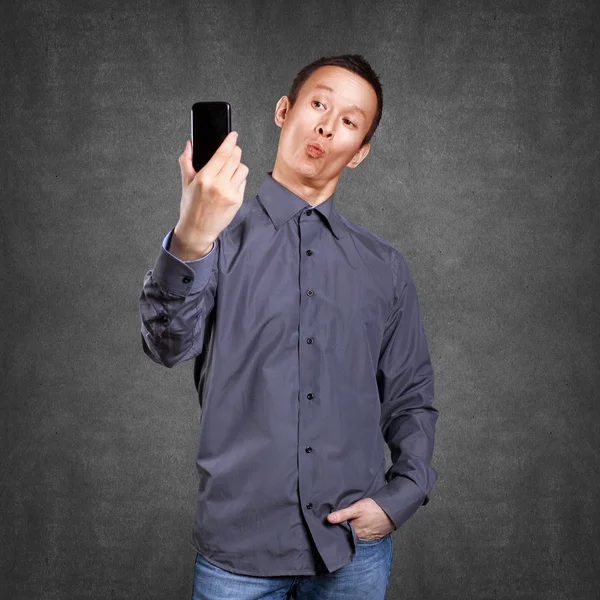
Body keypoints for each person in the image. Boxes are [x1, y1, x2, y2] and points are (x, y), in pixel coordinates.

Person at [139, 54, 439, 600]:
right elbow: (165, 345)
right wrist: (191, 236)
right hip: (237, 555)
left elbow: (411, 397)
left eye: (349, 121)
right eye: (318, 104)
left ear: (359, 154)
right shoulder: (212, 238)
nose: (327, 125)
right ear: (284, 110)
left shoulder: (384, 267)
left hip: (353, 553)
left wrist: (402, 497)